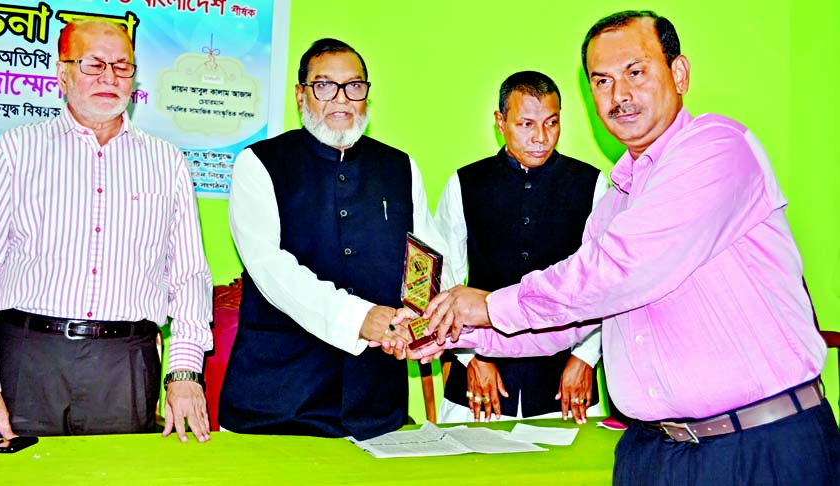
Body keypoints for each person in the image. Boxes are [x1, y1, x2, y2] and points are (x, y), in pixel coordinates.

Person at [407, 10, 840, 485]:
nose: (620, 94)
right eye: (602, 81)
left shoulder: (717, 148)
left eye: (636, 72)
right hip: (651, 453)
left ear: (679, 73)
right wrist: (447, 332)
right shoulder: (615, 202)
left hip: (758, 446)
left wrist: (489, 304)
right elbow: (572, 320)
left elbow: (617, 271)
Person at [0, 19, 213, 443]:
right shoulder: (13, 152)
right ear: (62, 73)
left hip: (125, 364)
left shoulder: (167, 163)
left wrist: (183, 372)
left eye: (123, 66)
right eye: (93, 64)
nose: (110, 77)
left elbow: (188, 275)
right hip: (29, 359)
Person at [219, 38, 451, 441]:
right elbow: (270, 269)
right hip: (280, 402)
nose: (341, 99)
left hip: (376, 402)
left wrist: (424, 324)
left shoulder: (400, 166)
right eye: (325, 86)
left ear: (367, 96)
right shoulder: (259, 164)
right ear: (300, 94)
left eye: (355, 86)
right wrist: (360, 319)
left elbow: (424, 257)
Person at [435, 71, 606, 424]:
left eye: (551, 123)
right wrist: (470, 357)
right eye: (526, 124)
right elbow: (445, 275)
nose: (540, 138)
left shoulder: (592, 184)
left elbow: (603, 281)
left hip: (566, 379)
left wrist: (586, 357)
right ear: (501, 122)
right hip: (480, 378)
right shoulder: (465, 182)